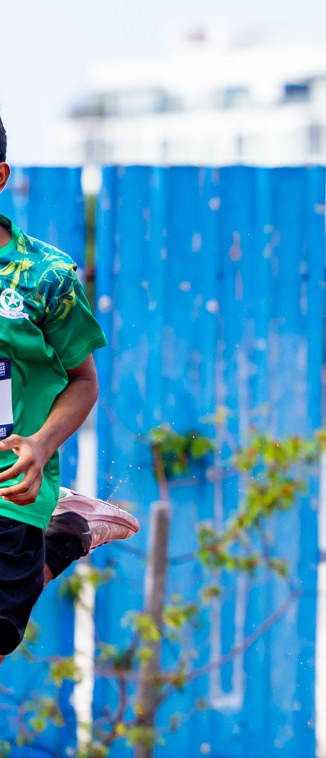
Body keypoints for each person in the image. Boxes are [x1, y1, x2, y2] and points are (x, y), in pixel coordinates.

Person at [0, 114, 140, 665]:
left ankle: (66, 532)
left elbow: (83, 382)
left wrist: (40, 444)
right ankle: (68, 532)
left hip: (11, 481)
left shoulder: (44, 276)